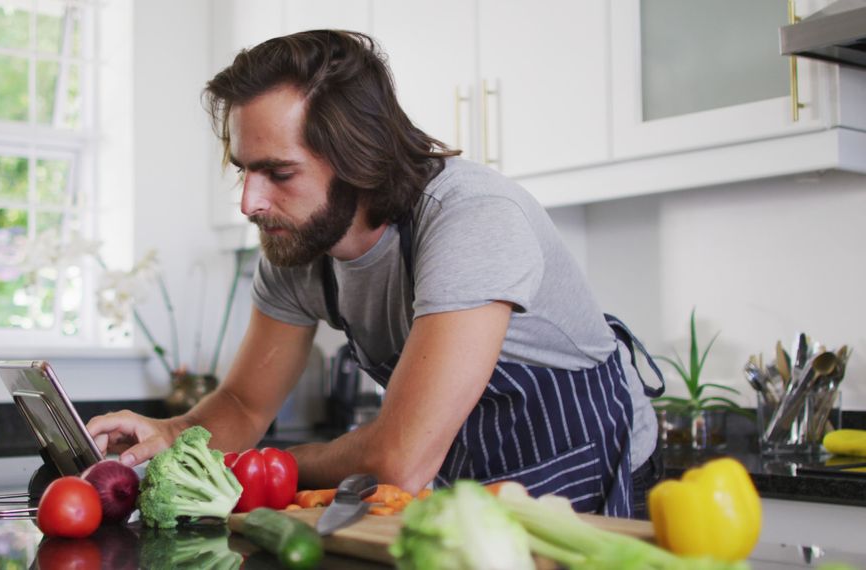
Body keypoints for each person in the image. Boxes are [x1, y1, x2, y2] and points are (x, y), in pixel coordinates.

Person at [86, 30, 664, 518]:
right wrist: (173, 434)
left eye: (278, 172)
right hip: (464, 488)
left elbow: (399, 459)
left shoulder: (473, 218)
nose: (249, 203)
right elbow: (242, 405)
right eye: (244, 171)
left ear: (360, 156)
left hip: (591, 477)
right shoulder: (297, 242)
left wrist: (251, 467)